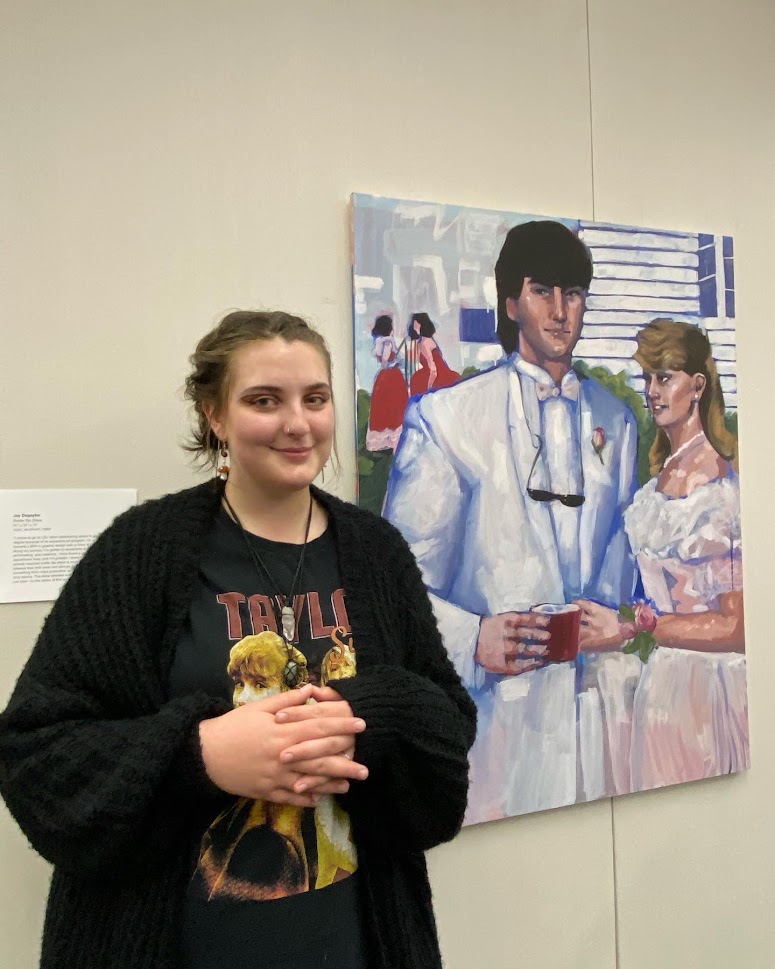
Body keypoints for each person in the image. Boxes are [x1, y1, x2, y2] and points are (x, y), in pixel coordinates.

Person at [0, 310, 476, 969]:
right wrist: (199, 755)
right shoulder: (141, 553)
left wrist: (364, 713)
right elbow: (36, 755)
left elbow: (447, 729)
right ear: (214, 415)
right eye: (263, 400)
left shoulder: (375, 552)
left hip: (353, 942)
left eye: (315, 398)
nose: (296, 423)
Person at [383, 220, 640, 822]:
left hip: (599, 735)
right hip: (493, 729)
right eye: (542, 291)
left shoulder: (617, 421)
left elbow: (620, 571)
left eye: (573, 293)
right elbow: (394, 587)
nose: (560, 311)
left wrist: (616, 623)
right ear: (510, 302)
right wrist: (474, 640)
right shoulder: (446, 419)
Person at [576, 318, 749, 791]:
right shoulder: (657, 482)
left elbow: (737, 627)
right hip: (663, 681)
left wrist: (632, 629)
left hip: (708, 690)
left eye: (664, 377)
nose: (652, 390)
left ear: (697, 386)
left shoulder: (721, 486)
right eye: (648, 378)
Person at [365, 314, 408, 451]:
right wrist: (396, 361)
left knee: (384, 406)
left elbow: (381, 359)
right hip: (392, 377)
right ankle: (394, 439)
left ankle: (387, 441)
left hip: (384, 377)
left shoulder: (378, 341)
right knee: (395, 406)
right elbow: (386, 360)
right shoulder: (388, 342)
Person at [407, 312, 460, 396]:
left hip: (436, 376)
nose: (415, 328)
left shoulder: (424, 343)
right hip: (442, 372)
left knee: (415, 380)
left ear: (423, 326)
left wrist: (429, 387)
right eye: (414, 325)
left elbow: (433, 369)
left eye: (417, 325)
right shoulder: (430, 339)